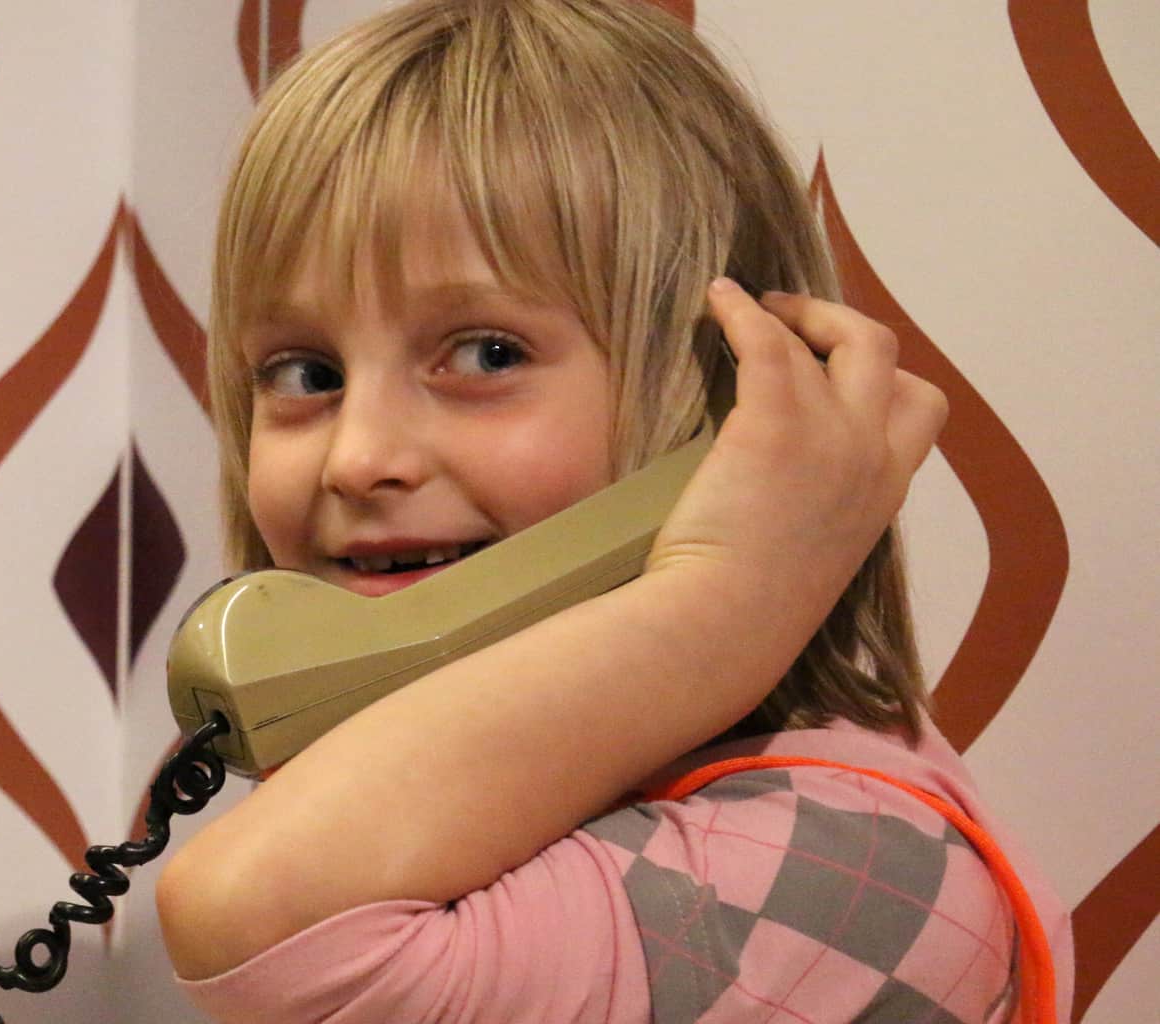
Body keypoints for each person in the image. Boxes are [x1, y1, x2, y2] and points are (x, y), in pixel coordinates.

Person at [152, 1, 1072, 1020]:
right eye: (306, 373)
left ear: (732, 413)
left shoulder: (854, 867)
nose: (358, 458)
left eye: (486, 354)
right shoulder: (421, 829)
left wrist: (723, 597)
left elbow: (249, 912)